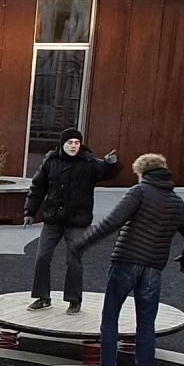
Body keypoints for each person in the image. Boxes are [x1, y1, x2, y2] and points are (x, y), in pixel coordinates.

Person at [73, 153, 184, 366]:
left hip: (125, 262)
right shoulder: (176, 201)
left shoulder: (140, 191)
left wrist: (82, 244)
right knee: (146, 323)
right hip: (153, 268)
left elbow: (111, 222)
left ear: (142, 173)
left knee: (111, 317)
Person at [22, 131, 119, 313]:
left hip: (77, 221)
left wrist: (110, 164)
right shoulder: (50, 161)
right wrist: (30, 211)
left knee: (74, 259)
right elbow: (37, 187)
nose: (74, 145)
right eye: (70, 142)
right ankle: (42, 297)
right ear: (62, 144)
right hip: (53, 218)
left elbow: (105, 173)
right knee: (42, 257)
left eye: (77, 142)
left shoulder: (89, 162)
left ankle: (74, 300)